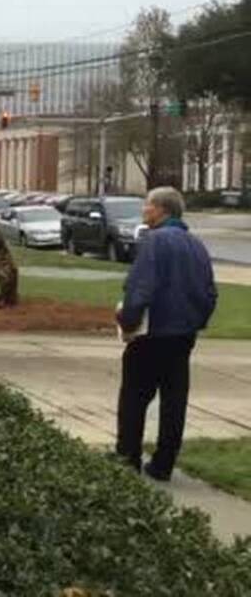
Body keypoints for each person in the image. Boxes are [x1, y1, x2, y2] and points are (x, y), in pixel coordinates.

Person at [114, 187, 218, 481]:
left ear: (162, 210)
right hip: (183, 335)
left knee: (134, 396)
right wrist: (196, 322)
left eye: (147, 205)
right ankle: (163, 464)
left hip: (152, 335)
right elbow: (210, 293)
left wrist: (127, 321)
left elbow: (140, 289)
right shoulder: (196, 245)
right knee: (174, 401)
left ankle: (127, 457)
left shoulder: (154, 242)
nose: (144, 210)